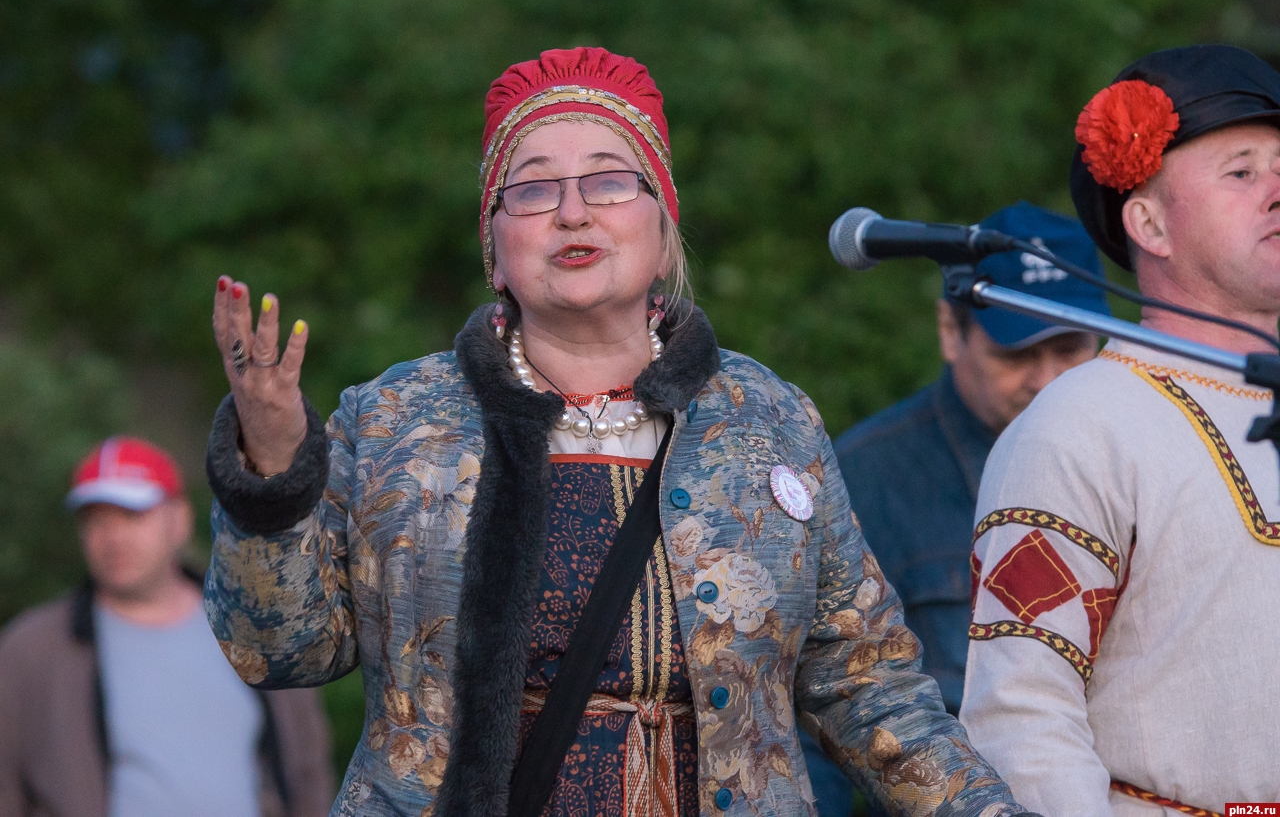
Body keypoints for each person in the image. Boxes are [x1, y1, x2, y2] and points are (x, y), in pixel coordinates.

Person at [201, 47, 1039, 817]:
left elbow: (870, 686)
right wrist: (271, 468)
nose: (573, 212)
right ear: (494, 250)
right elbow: (277, 650)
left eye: (608, 181)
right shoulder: (394, 420)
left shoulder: (769, 418)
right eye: (533, 189)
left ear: (662, 229)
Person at [961, 44, 1280, 815]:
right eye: (1242, 173)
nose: (1277, 192)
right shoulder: (1077, 426)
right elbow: (1023, 717)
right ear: (1149, 223)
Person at [798, 203, 1108, 817]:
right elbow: (813, 719)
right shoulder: (863, 478)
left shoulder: (1141, 460)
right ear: (950, 330)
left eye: (1071, 350)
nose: (1048, 381)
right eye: (1017, 354)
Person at [0, 436, 335, 817]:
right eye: (96, 520)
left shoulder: (259, 629)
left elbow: (307, 769)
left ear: (179, 519)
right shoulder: (32, 650)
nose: (114, 537)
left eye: (131, 515)